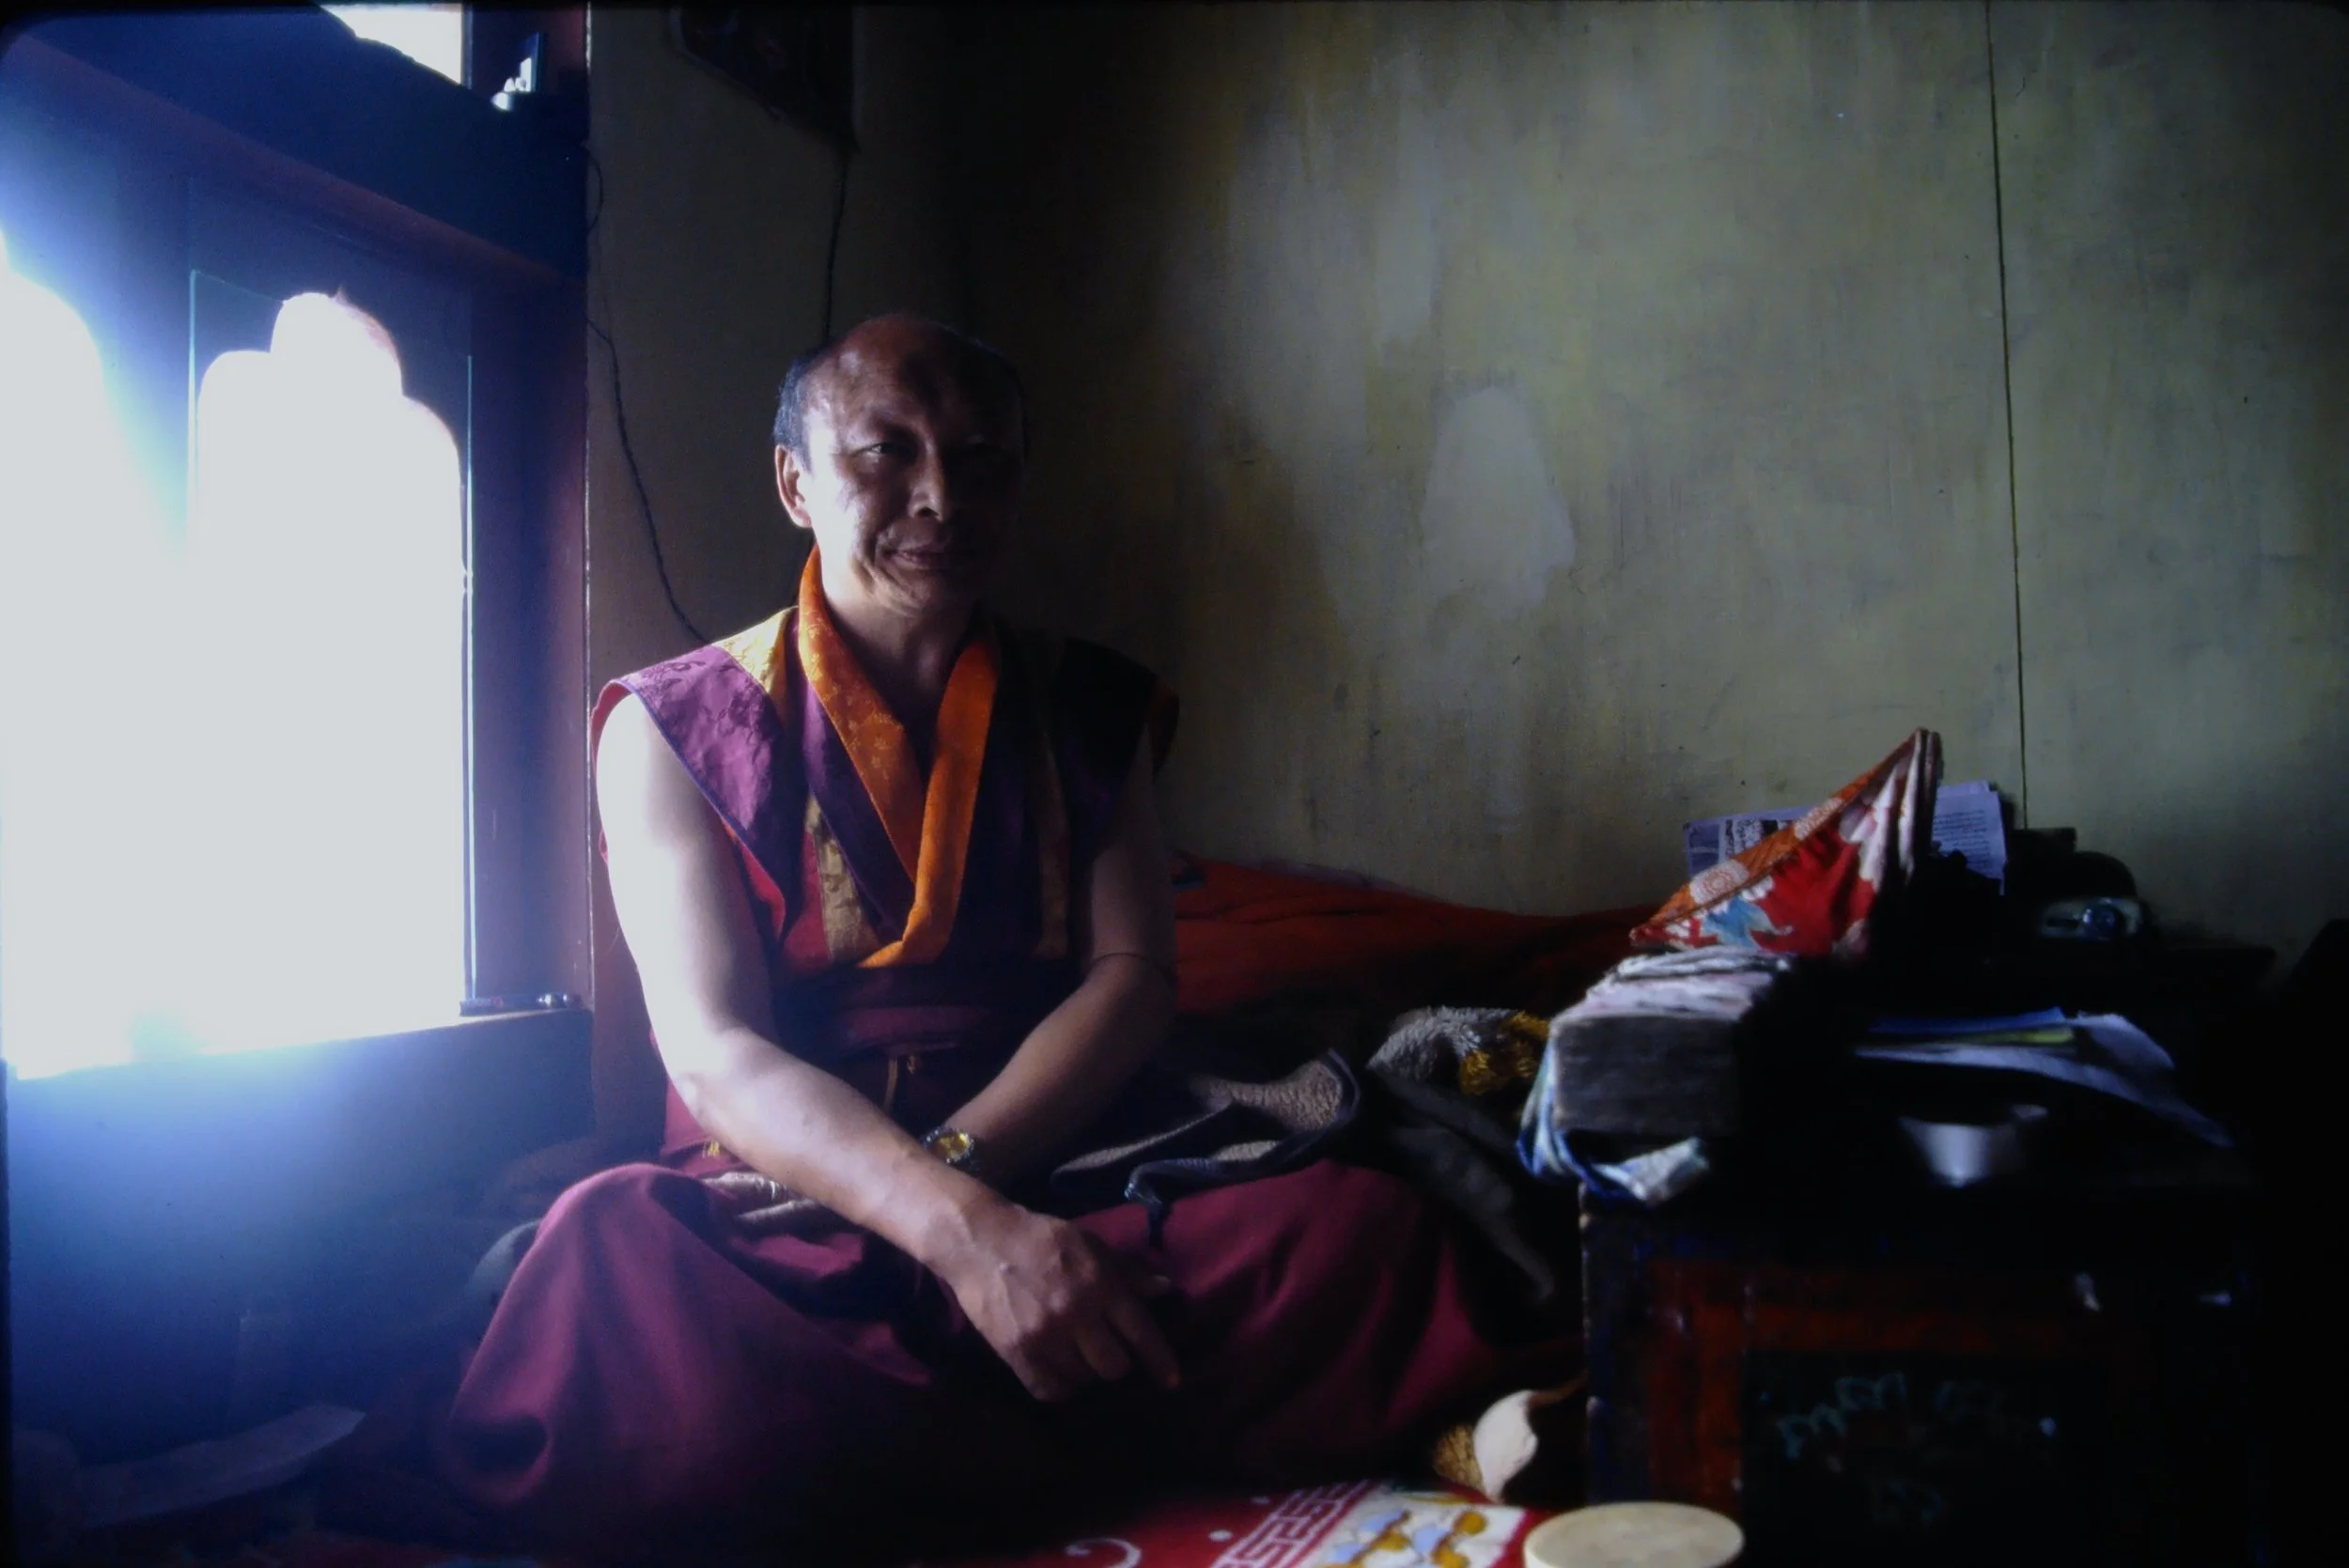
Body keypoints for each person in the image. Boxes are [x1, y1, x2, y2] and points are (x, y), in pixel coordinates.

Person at [431, 315, 1570, 1557]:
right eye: (887, 453)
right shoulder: (672, 726)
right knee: (612, 1262)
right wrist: (953, 1231)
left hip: (1056, 1152)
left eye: (981, 459)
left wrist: (969, 1182)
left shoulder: (1091, 705)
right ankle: (1141, 1425)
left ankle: (913, 1447)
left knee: (1358, 1234)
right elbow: (713, 1053)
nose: (941, 496)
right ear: (796, 483)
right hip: (793, 1191)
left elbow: (1132, 980)